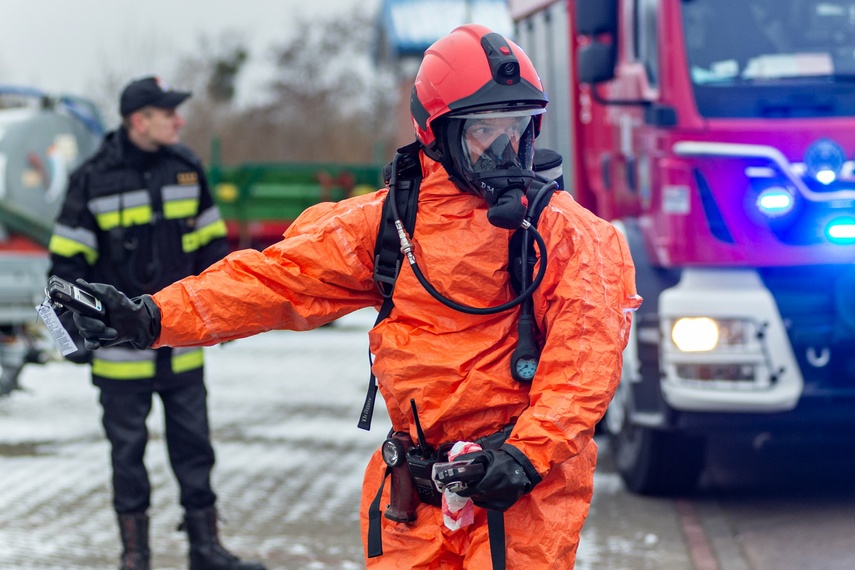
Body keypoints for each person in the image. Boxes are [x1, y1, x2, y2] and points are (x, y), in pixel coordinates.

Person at [67, 26, 640, 569]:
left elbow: (584, 365)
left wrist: (524, 456)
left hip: (519, 498)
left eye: (518, 126)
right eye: (483, 129)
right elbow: (273, 281)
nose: (505, 148)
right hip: (414, 498)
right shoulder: (389, 224)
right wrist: (149, 316)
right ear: (436, 132)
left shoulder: (568, 235)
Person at [48, 76, 265, 570]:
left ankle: (205, 549)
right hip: (119, 358)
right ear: (138, 120)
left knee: (195, 449)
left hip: (181, 345)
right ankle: (135, 555)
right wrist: (76, 337)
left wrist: (226, 312)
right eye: (168, 113)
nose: (179, 121)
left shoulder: (187, 168)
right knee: (127, 456)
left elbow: (215, 252)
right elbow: (65, 269)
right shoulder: (92, 178)